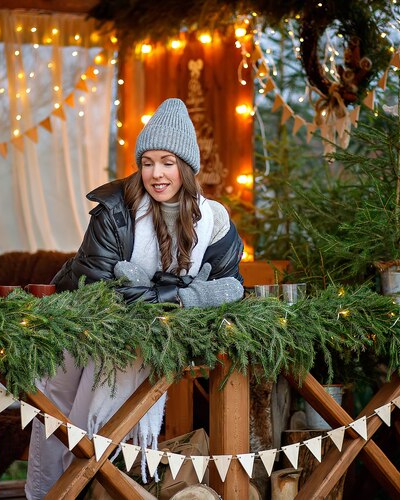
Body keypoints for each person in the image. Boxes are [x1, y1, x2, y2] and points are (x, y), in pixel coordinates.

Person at [25, 98, 244, 499]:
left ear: (186, 167)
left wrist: (159, 291)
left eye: (167, 162)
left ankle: (89, 491)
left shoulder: (213, 220)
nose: (156, 174)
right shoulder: (115, 211)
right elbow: (100, 290)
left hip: (135, 341)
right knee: (55, 412)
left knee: (95, 415)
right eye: (147, 162)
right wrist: (192, 293)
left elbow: (230, 288)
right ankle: (47, 494)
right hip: (77, 324)